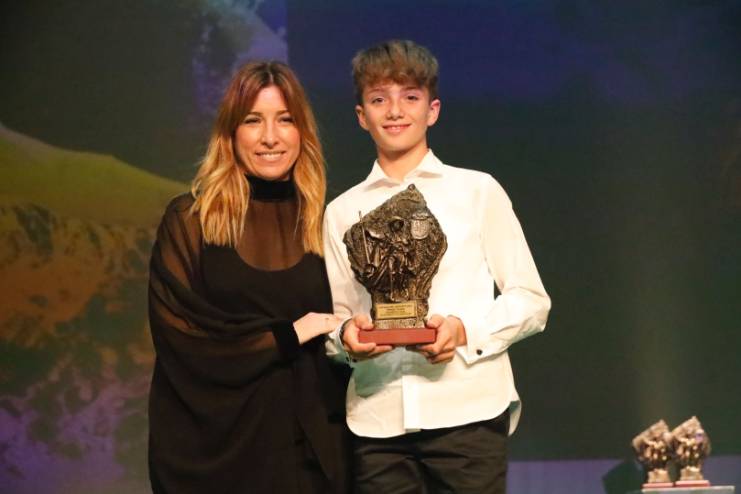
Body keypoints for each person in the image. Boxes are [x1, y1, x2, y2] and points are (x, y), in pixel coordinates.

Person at [323, 40, 551, 493]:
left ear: (433, 110)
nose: (395, 111)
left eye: (410, 97)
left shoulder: (477, 192)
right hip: (377, 422)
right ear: (361, 116)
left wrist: (463, 331)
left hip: (467, 413)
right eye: (379, 99)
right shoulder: (341, 212)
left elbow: (530, 300)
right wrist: (347, 339)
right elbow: (340, 320)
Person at [148, 61, 350, 493]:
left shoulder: (329, 219)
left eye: (285, 120)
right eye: (253, 120)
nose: (270, 137)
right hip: (215, 448)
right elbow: (179, 334)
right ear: (230, 133)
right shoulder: (191, 219)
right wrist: (287, 335)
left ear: (303, 132)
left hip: (311, 446)